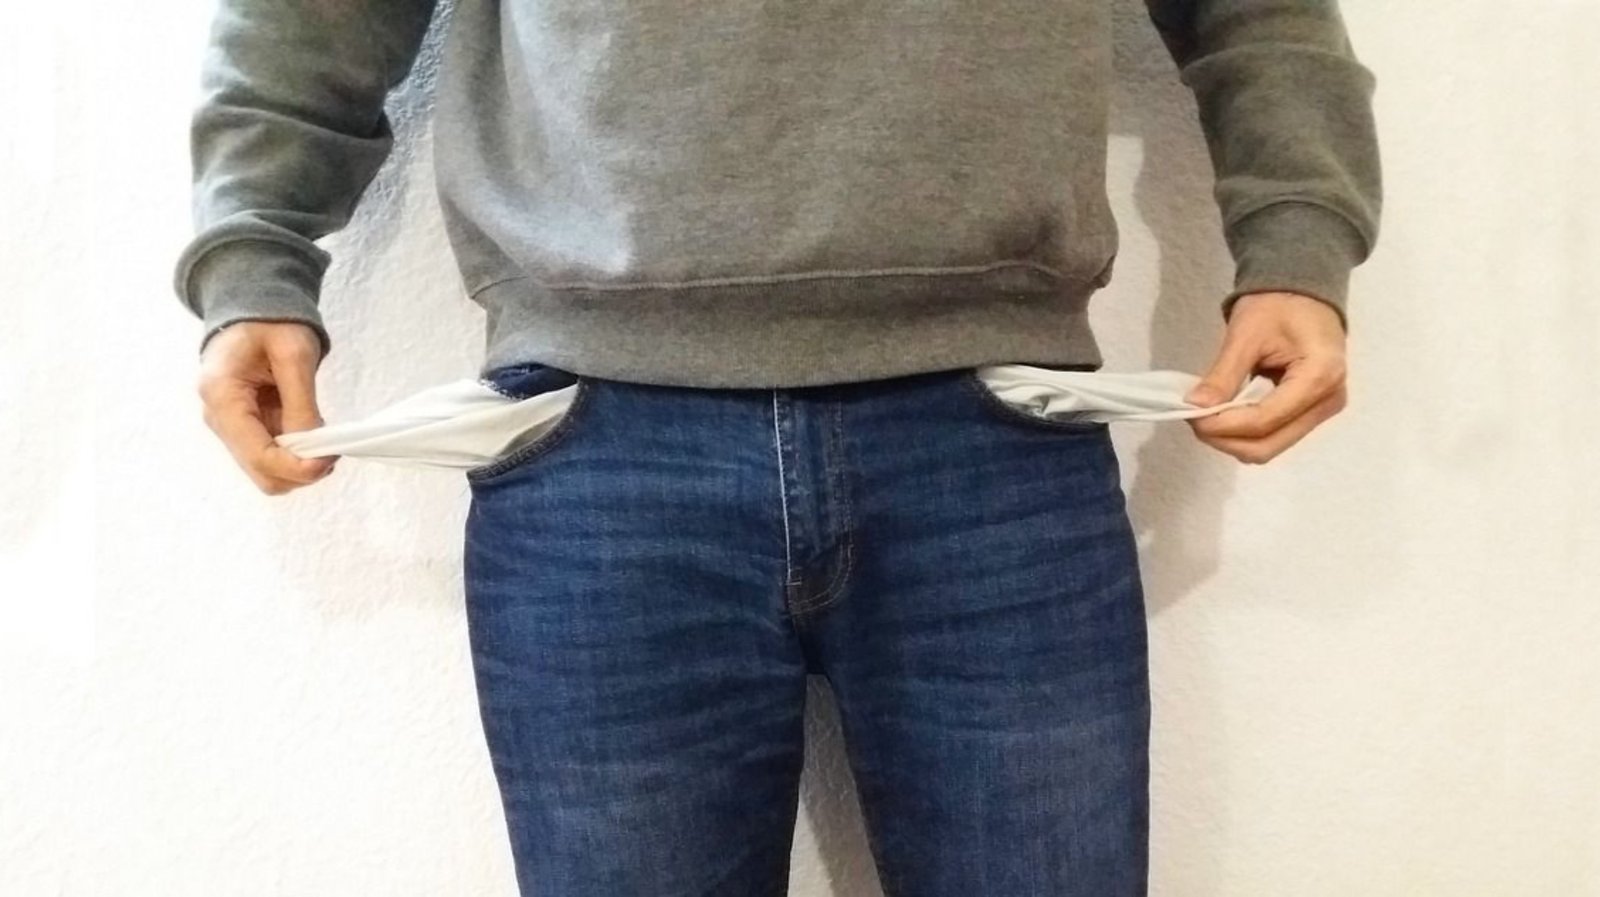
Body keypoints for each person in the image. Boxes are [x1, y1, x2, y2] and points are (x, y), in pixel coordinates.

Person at [175, 0, 1381, 893]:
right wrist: (251, 258)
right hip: (598, 442)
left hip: (994, 437)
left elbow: (1260, 12)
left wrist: (1298, 242)